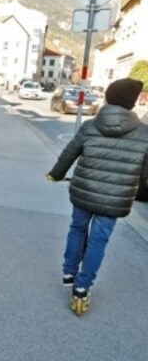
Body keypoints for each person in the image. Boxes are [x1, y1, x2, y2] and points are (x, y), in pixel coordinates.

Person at [47, 78, 148, 316]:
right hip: (115, 198)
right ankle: (82, 288)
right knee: (98, 240)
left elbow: (69, 152)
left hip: (84, 191)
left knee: (78, 228)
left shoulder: (91, 126)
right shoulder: (144, 133)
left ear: (108, 98)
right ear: (132, 103)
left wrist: (55, 174)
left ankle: (69, 271)